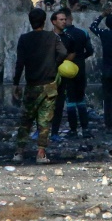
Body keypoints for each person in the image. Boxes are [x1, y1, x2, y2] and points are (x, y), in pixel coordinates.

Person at [13, 9, 68, 163]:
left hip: (31, 85)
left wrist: (15, 83)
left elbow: (20, 63)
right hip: (49, 85)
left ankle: (19, 152)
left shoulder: (24, 39)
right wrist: (54, 64)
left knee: (26, 120)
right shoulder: (53, 37)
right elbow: (63, 52)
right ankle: (41, 153)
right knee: (45, 121)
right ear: (44, 21)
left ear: (30, 22)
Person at [52, 8, 94, 139]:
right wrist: (80, 58)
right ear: (73, 18)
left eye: (64, 19)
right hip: (80, 68)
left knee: (70, 100)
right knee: (80, 99)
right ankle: (85, 129)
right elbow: (90, 50)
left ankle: (73, 130)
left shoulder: (61, 36)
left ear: (67, 19)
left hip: (65, 70)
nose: (63, 22)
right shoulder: (83, 33)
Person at [48, 10, 76, 141]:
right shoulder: (46, 37)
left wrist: (63, 63)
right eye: (61, 19)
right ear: (54, 21)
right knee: (43, 104)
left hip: (60, 77)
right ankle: (40, 130)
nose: (64, 22)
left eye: (65, 19)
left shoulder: (68, 38)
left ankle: (54, 132)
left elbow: (72, 53)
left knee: (58, 104)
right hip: (46, 75)